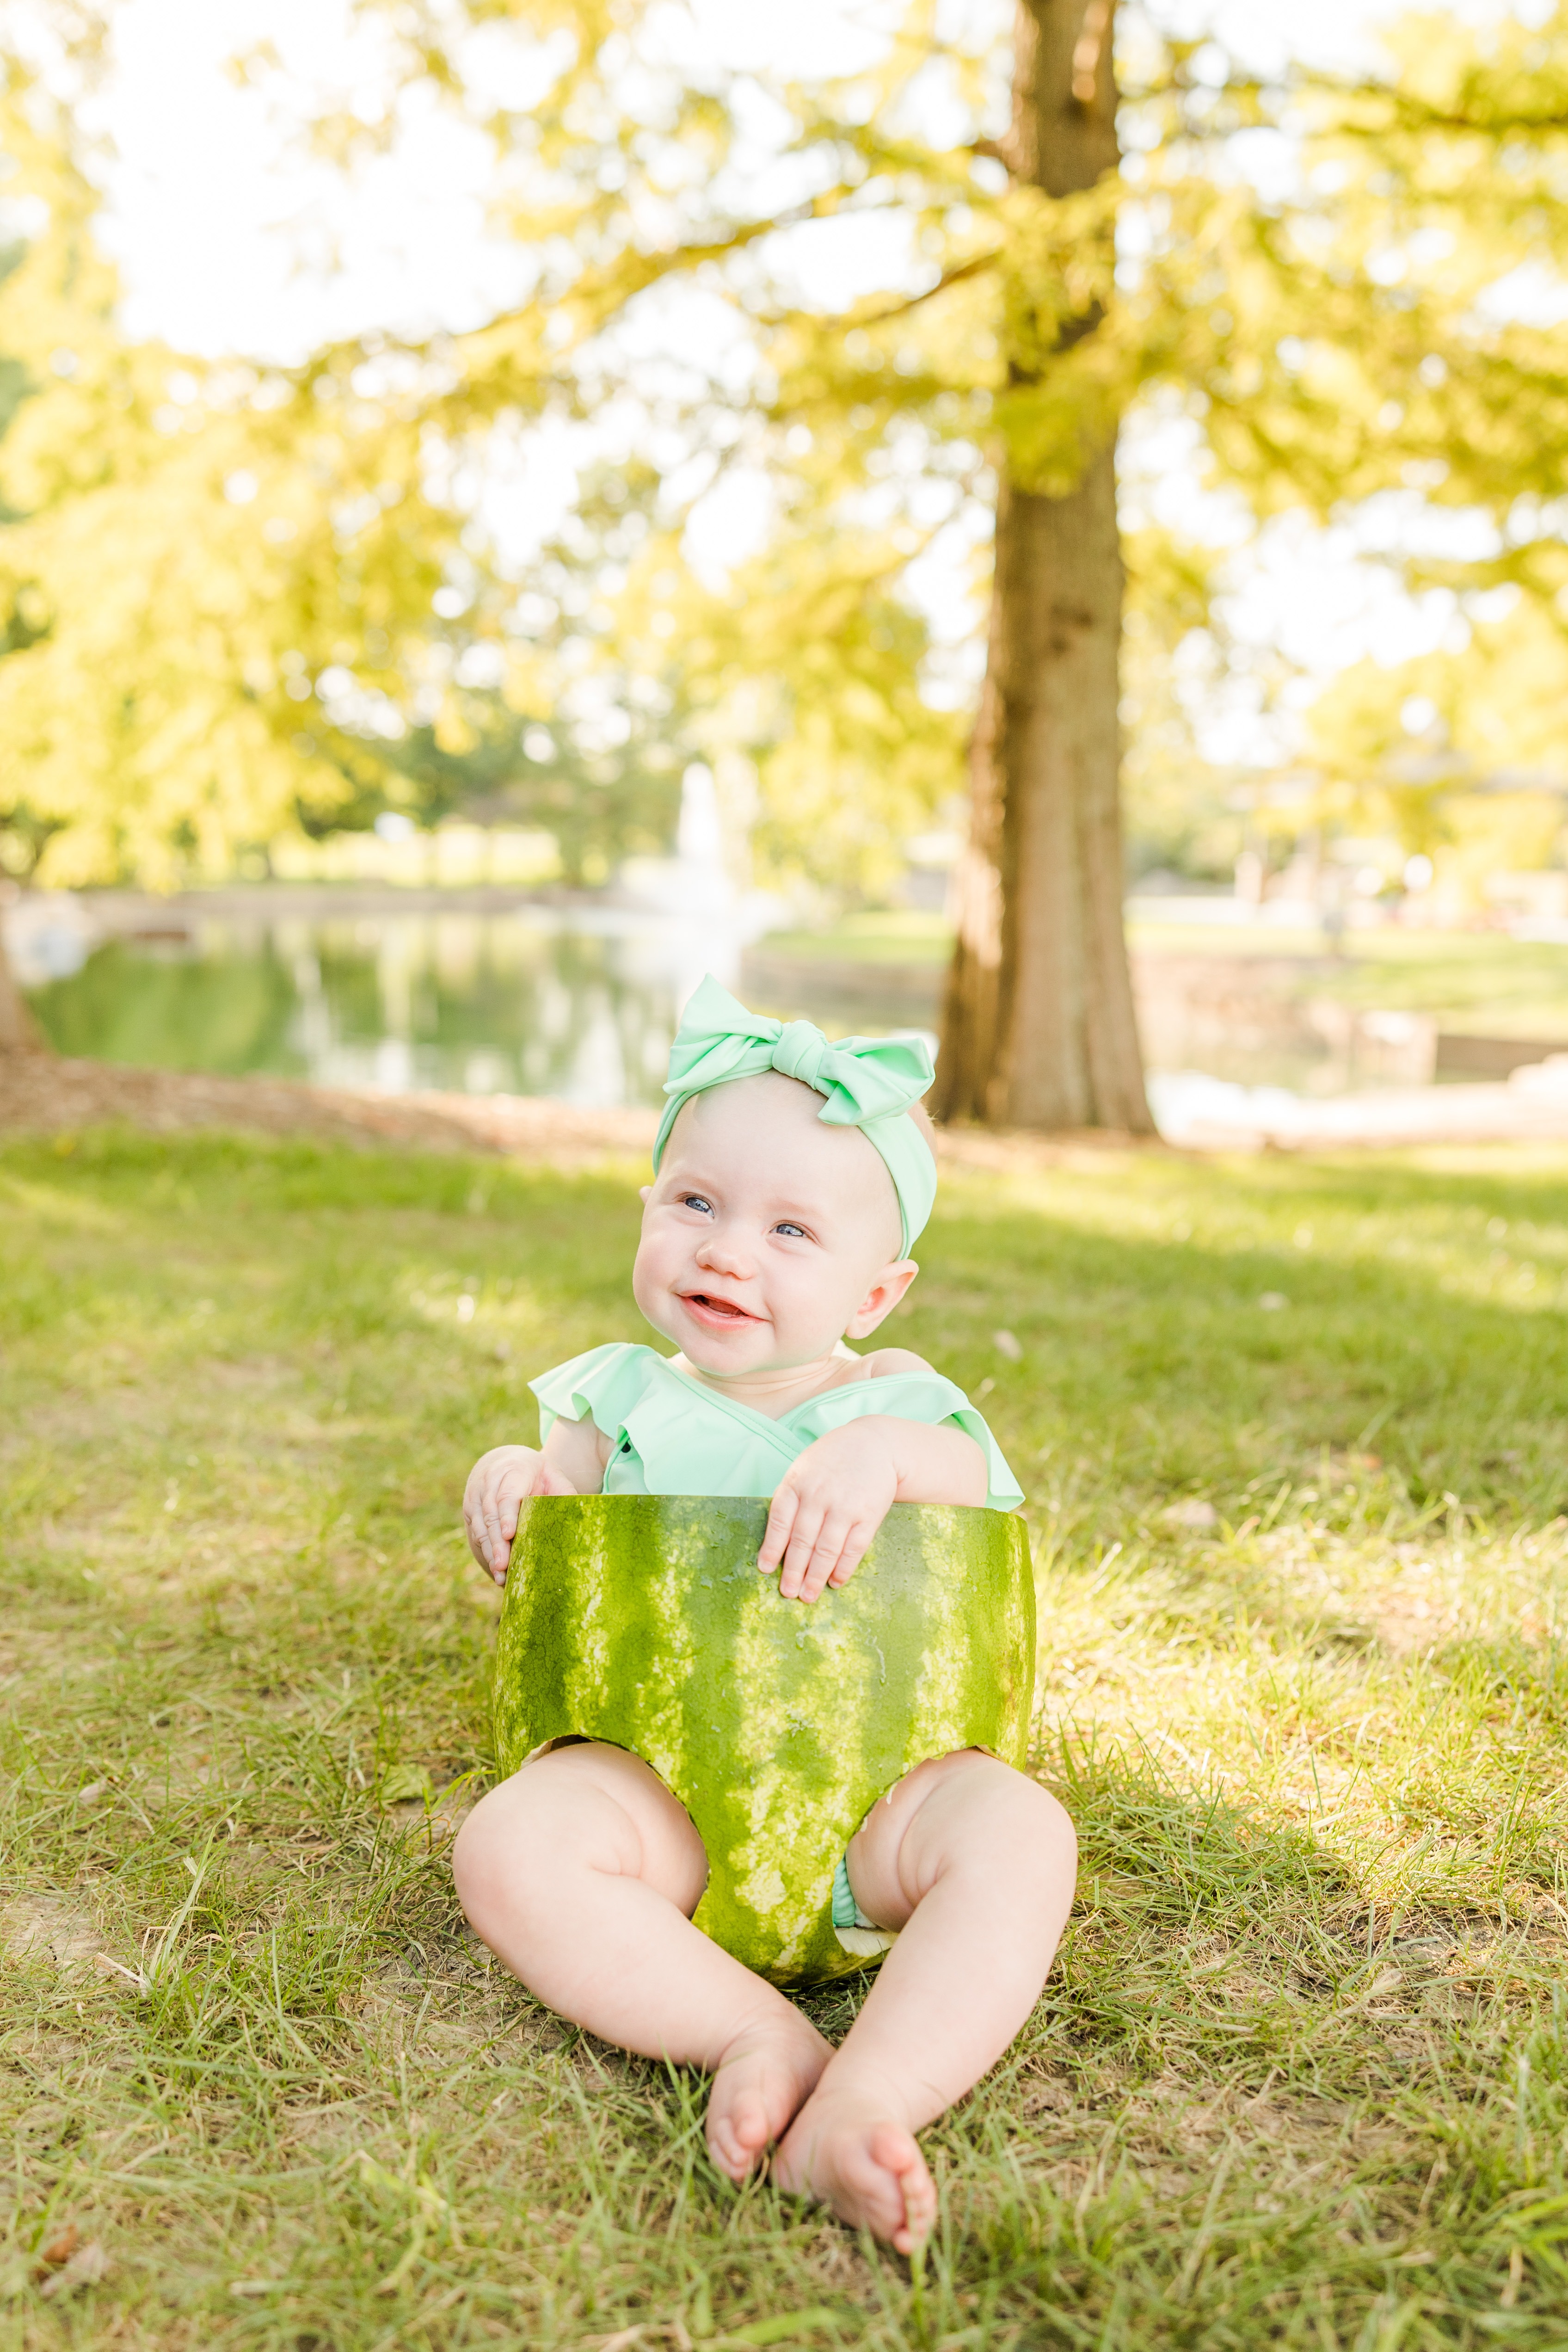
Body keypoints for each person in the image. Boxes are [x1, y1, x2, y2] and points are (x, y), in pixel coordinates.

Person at [453, 979, 1077, 2253]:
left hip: (880, 1810)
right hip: (656, 1808)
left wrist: (884, 1460)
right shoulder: (608, 1400)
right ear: (646, 1212)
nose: (727, 1250)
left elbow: (977, 1490)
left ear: (875, 1295)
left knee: (1023, 1834)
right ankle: (751, 2031)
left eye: (792, 1231)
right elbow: (557, 1540)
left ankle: (870, 2099)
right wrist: (512, 1484)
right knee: (508, 1843)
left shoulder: (902, 1400)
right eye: (695, 1203)